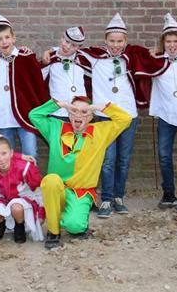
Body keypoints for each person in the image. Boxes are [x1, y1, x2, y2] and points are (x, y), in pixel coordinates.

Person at [80, 13, 170, 218]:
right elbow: (70, 52)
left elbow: (156, 60)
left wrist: (156, 51)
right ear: (105, 40)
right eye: (112, 41)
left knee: (124, 158)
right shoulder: (94, 58)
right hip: (105, 117)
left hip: (128, 115)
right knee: (108, 159)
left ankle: (119, 197)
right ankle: (106, 199)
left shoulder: (132, 57)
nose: (115, 45)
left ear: (125, 41)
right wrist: (51, 52)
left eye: (119, 41)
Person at [30, 96, 132, 249]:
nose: (78, 115)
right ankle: (53, 231)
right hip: (58, 189)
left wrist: (97, 107)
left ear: (91, 117)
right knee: (50, 181)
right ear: (69, 114)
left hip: (81, 192)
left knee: (75, 226)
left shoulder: (101, 132)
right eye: (74, 111)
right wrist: (61, 104)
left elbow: (125, 119)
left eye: (84, 112)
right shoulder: (55, 128)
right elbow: (34, 115)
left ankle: (69, 215)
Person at [140, 13, 177, 213]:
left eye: (176, 41)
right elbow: (136, 59)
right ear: (163, 43)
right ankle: (168, 193)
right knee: (164, 155)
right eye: (168, 42)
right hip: (166, 115)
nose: (172, 45)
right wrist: (152, 53)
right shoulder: (157, 61)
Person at [0, 9, 49, 159]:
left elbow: (37, 81)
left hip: (24, 115)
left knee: (31, 153)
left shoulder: (25, 57)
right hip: (2, 117)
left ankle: (31, 176)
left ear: (14, 38)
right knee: (6, 156)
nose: (4, 42)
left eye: (7, 37)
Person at [0, 134, 44, 244]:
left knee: (16, 207)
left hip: (21, 198)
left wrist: (41, 213)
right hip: (1, 198)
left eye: (4, 154)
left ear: (11, 153)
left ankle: (19, 225)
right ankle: (1, 224)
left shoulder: (25, 167)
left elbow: (38, 190)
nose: (1, 159)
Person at [40, 26, 92, 120]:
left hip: (79, 113)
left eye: (73, 45)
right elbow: (37, 80)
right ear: (62, 38)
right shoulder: (50, 59)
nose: (68, 47)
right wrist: (49, 52)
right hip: (57, 112)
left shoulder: (83, 60)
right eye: (67, 41)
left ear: (78, 47)